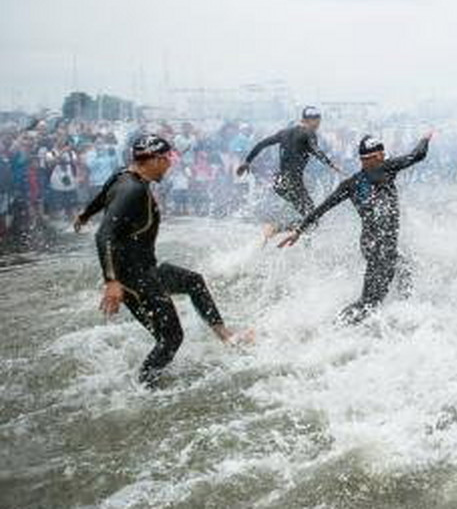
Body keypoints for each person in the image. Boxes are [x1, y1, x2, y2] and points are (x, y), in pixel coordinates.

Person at [74, 134, 251, 386]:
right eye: (168, 158)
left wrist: (84, 214)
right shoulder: (133, 190)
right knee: (171, 338)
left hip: (147, 270)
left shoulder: (123, 176)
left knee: (193, 281)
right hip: (132, 279)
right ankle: (145, 388)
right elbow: (104, 235)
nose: (170, 164)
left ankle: (226, 336)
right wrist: (111, 281)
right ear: (154, 159)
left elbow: (104, 196)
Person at [279, 131, 433, 325]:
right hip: (381, 246)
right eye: (381, 155)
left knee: (404, 269)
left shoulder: (350, 183)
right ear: (375, 156)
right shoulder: (385, 168)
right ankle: (334, 329)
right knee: (370, 302)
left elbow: (322, 207)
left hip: (371, 244)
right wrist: (425, 138)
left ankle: (401, 315)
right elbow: (417, 155)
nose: (384, 157)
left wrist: (299, 230)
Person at [237, 107, 341, 238]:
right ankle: (275, 228)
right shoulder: (309, 133)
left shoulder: (284, 133)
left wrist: (247, 161)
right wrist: (331, 164)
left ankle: (286, 231)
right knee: (312, 219)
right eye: (317, 121)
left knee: (306, 216)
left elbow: (262, 144)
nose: (318, 124)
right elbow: (315, 149)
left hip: (279, 182)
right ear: (311, 120)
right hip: (293, 182)